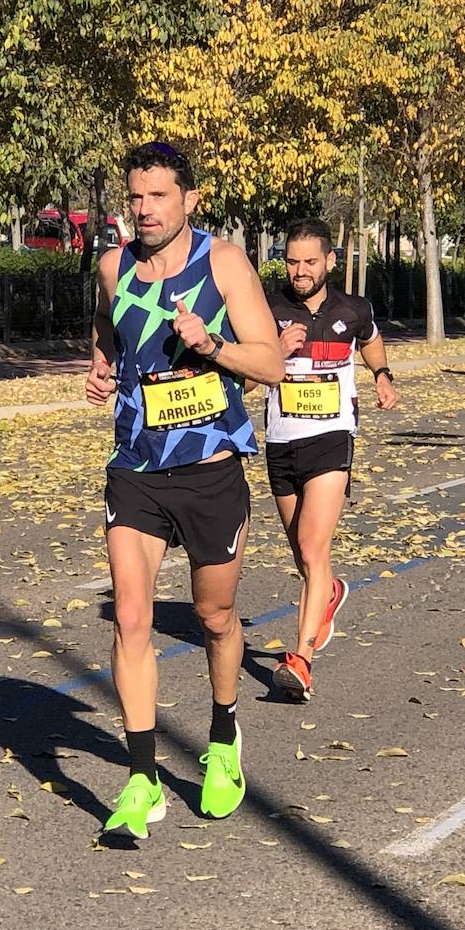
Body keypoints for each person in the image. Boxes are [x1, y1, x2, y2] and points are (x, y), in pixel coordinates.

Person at [85, 142, 284, 839]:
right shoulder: (114, 266)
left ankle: (223, 736)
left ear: (189, 200)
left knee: (214, 616)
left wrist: (212, 347)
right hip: (136, 464)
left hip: (210, 467)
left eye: (157, 196)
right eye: (135, 197)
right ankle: (142, 779)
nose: (143, 210)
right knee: (131, 616)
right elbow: (109, 330)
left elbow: (272, 364)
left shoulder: (223, 263)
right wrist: (101, 368)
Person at [261, 218, 400, 702]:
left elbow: (372, 338)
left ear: (330, 262)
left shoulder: (353, 309)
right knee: (303, 556)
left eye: (310, 262)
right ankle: (331, 592)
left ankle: (300, 659)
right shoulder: (267, 305)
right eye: (293, 262)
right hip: (280, 442)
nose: (300, 271)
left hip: (331, 437)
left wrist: (381, 374)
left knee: (312, 545)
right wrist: (275, 352)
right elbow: (250, 368)